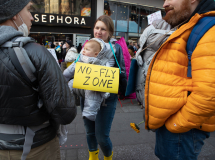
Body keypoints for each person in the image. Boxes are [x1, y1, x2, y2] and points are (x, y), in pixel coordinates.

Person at [0, 0, 77, 160]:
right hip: (38, 148)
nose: (32, 17)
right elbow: (65, 113)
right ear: (14, 14)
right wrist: (70, 87)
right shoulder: (35, 52)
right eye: (28, 10)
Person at [145, 0, 215, 159]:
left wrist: (175, 124)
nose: (164, 4)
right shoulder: (191, 26)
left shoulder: (208, 30)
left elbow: (209, 95)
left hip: (182, 130)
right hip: (175, 126)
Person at [79, 15, 129, 160]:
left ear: (110, 32)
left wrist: (123, 90)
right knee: (89, 133)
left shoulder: (116, 48)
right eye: (97, 28)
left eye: (103, 29)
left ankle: (108, 157)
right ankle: (93, 157)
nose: (99, 32)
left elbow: (122, 71)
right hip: (87, 95)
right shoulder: (87, 44)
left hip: (108, 98)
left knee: (101, 136)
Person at [63, 39, 111, 121]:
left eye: (87, 49)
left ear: (96, 54)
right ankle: (65, 104)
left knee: (92, 94)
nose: (84, 51)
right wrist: (63, 77)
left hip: (92, 85)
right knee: (69, 84)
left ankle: (89, 113)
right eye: (84, 48)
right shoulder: (80, 59)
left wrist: (105, 91)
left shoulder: (101, 63)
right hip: (79, 82)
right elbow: (71, 69)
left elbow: (106, 77)